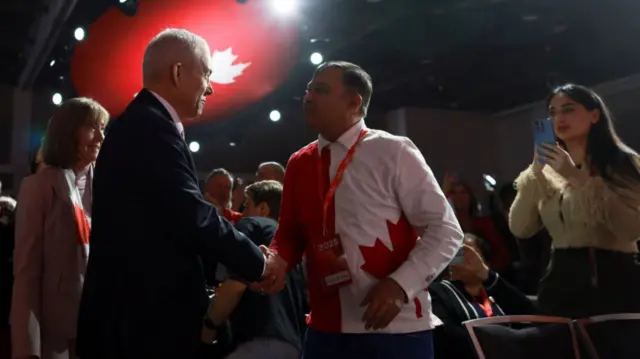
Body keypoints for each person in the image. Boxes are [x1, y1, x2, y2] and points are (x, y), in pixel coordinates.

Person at [75, 29, 281, 359]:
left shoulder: (143, 124)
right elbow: (193, 216)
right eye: (207, 73)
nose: (211, 87)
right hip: (143, 330)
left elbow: (170, 226)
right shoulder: (150, 128)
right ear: (178, 72)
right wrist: (258, 263)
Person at [261, 61, 463, 359]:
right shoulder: (299, 163)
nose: (308, 97)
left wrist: (399, 285)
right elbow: (290, 233)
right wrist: (277, 260)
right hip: (325, 329)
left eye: (321, 90)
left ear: (354, 102)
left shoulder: (393, 151)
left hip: (395, 328)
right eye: (308, 90)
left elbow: (445, 229)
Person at [509, 84, 640, 318]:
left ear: (594, 115)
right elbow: (520, 228)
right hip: (560, 281)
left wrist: (575, 176)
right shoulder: (547, 172)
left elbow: (631, 229)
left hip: (613, 281)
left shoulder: (623, 163)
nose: (559, 118)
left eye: (568, 109)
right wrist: (536, 172)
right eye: (553, 112)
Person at [10, 98, 108, 359]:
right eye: (91, 127)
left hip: (101, 328)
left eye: (102, 128)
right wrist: (26, 347)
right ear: (68, 131)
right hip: (57, 336)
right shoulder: (38, 188)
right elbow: (27, 274)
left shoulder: (109, 188)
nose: (100, 136)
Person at [202, 180, 308, 359]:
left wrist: (209, 325)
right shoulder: (294, 248)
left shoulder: (253, 224)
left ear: (263, 209)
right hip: (293, 345)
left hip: (257, 342)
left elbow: (236, 286)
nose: (243, 214)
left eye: (247, 206)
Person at [430, 234, 535, 359]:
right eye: (459, 254)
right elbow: (447, 337)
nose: (464, 261)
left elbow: (531, 314)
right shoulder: (438, 292)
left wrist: (486, 274)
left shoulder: (497, 289)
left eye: (472, 256)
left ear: (485, 263)